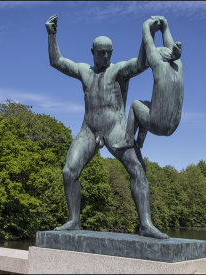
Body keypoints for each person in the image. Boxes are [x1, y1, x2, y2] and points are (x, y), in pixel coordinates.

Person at [45, 14, 168, 239]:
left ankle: (146, 224)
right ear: (92, 52)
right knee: (68, 172)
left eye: (108, 52)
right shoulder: (84, 71)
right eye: (100, 52)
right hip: (89, 129)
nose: (104, 56)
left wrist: (147, 34)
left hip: (116, 128)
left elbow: (141, 63)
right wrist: (52, 36)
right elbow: (57, 62)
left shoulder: (118, 70)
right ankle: (74, 220)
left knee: (138, 170)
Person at [113, 16, 184, 149]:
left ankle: (128, 140)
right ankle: (140, 142)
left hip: (158, 124)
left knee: (135, 105)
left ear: (161, 57)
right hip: (173, 126)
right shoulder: (178, 65)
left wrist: (147, 26)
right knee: (146, 105)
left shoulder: (158, 64)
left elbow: (148, 44)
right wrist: (165, 27)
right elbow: (170, 46)